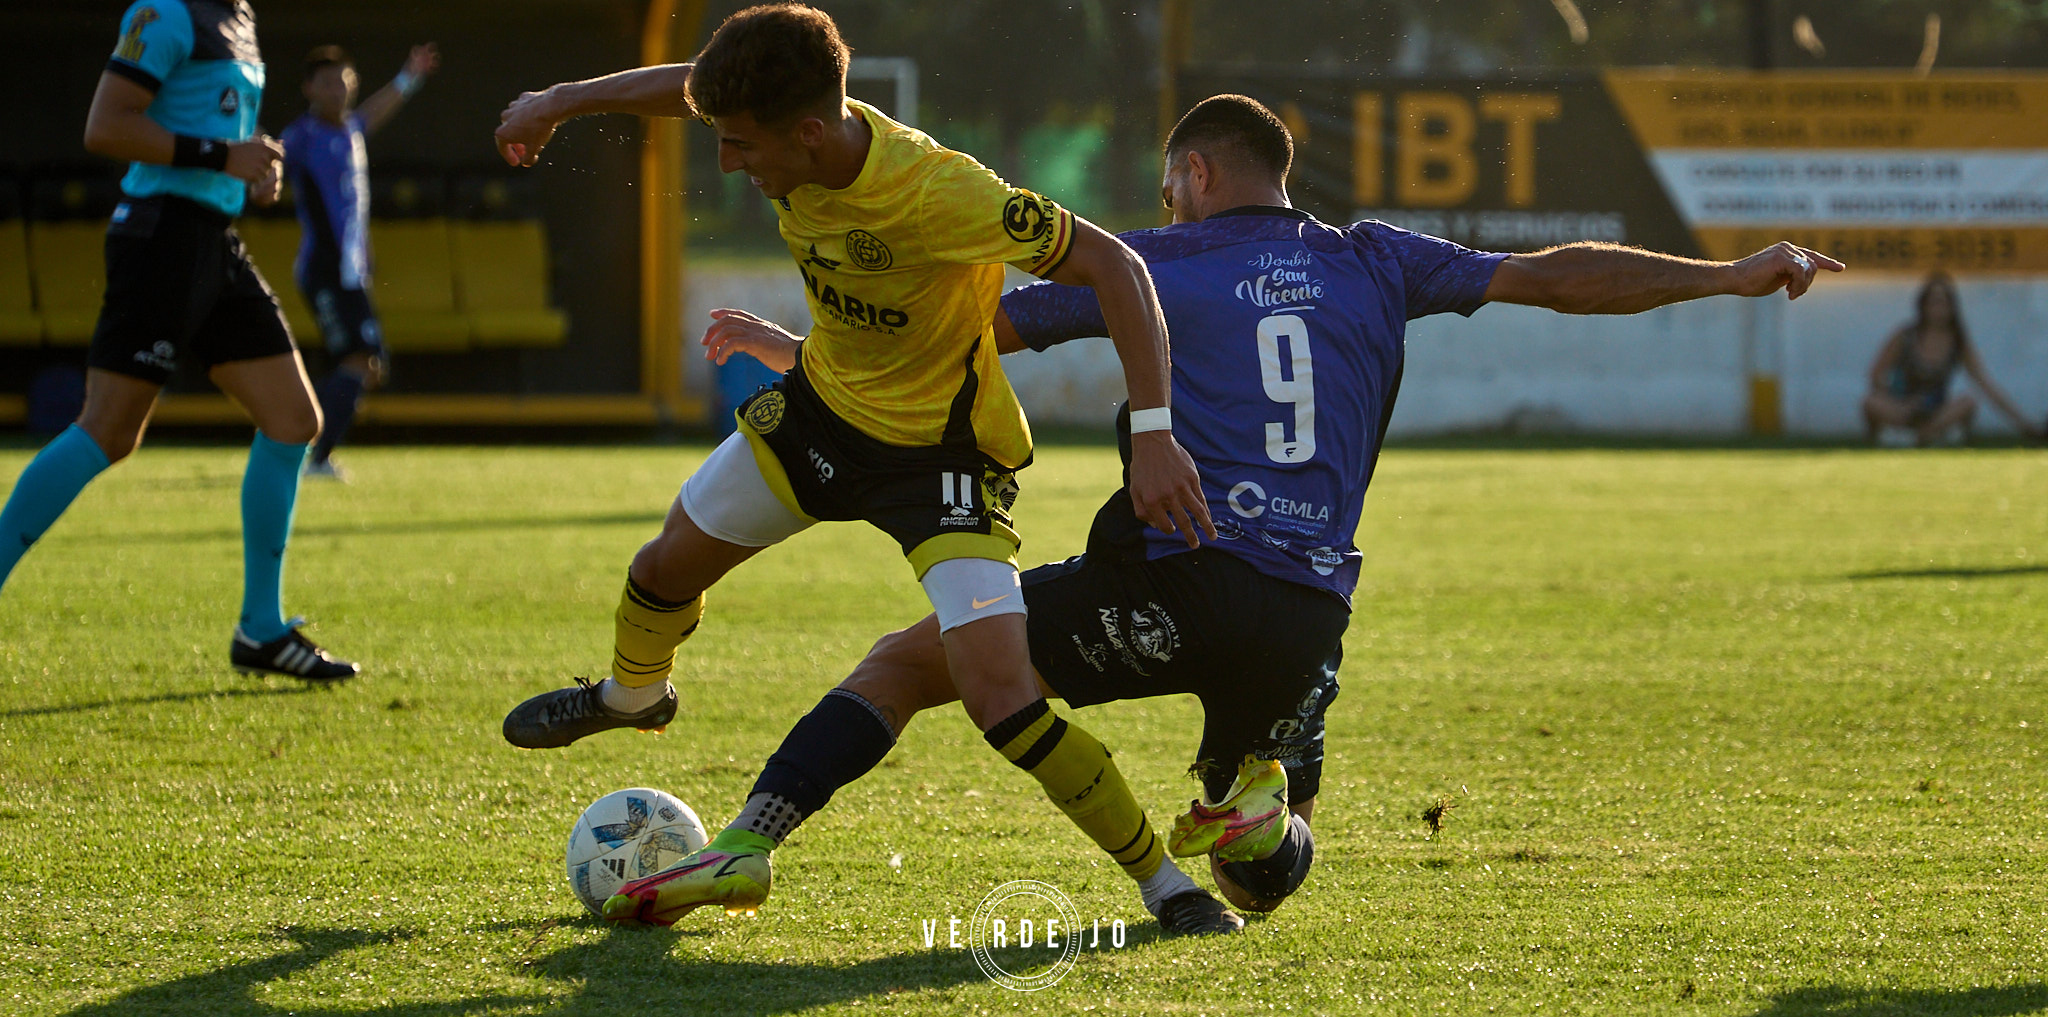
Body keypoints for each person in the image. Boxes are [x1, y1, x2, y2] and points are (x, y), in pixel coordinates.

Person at [609, 93, 1847, 926]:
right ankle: (1257, 792)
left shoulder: (1156, 259)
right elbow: (1556, 275)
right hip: (1310, 607)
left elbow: (956, 332)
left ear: (1191, 174)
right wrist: (1731, 272)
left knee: (900, 665)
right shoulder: (1378, 256)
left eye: (1168, 180)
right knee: (1259, 875)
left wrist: (796, 349)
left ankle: (750, 836)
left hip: (1172, 578)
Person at [492, 3, 1241, 936]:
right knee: (659, 569)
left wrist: (1159, 434)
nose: (727, 162)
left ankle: (1165, 884)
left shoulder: (942, 192)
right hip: (821, 415)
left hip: (940, 459)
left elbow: (1120, 268)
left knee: (1001, 694)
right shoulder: (783, 128)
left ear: (808, 131)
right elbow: (683, 91)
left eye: (741, 145)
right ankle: (632, 695)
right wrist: (559, 101)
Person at [0, 0, 356, 681]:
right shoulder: (162, 11)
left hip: (212, 239)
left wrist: (252, 166)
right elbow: (106, 126)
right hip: (158, 238)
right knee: (108, 431)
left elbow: (214, 124)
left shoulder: (236, 17)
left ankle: (261, 630)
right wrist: (219, 155)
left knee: (294, 421)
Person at [281, 41, 440, 479]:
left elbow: (378, 109)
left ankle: (302, 445)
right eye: (327, 82)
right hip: (324, 270)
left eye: (344, 80)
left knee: (368, 366)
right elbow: (270, 161)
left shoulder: (351, 130)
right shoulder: (302, 138)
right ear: (309, 88)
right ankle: (309, 454)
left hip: (350, 272)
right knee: (359, 360)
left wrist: (410, 76)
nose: (338, 89)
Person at [1862, 271, 2039, 445]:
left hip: (1936, 410)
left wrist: (2023, 424)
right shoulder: (1905, 336)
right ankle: (1922, 436)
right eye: (1933, 301)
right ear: (1923, 304)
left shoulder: (1957, 341)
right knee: (1871, 403)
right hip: (1902, 407)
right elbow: (1876, 375)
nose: (1938, 308)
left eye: (1944, 301)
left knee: (1967, 402)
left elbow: (1985, 384)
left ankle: (1920, 437)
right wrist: (1900, 403)